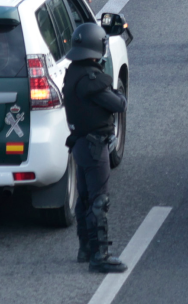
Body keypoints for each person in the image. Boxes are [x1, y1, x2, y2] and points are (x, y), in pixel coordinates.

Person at [64, 22, 128, 273]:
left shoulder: (72, 72)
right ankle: (100, 255)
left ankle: (86, 249)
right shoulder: (91, 79)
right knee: (100, 200)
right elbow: (117, 104)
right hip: (94, 145)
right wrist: (118, 96)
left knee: (86, 198)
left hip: (79, 143)